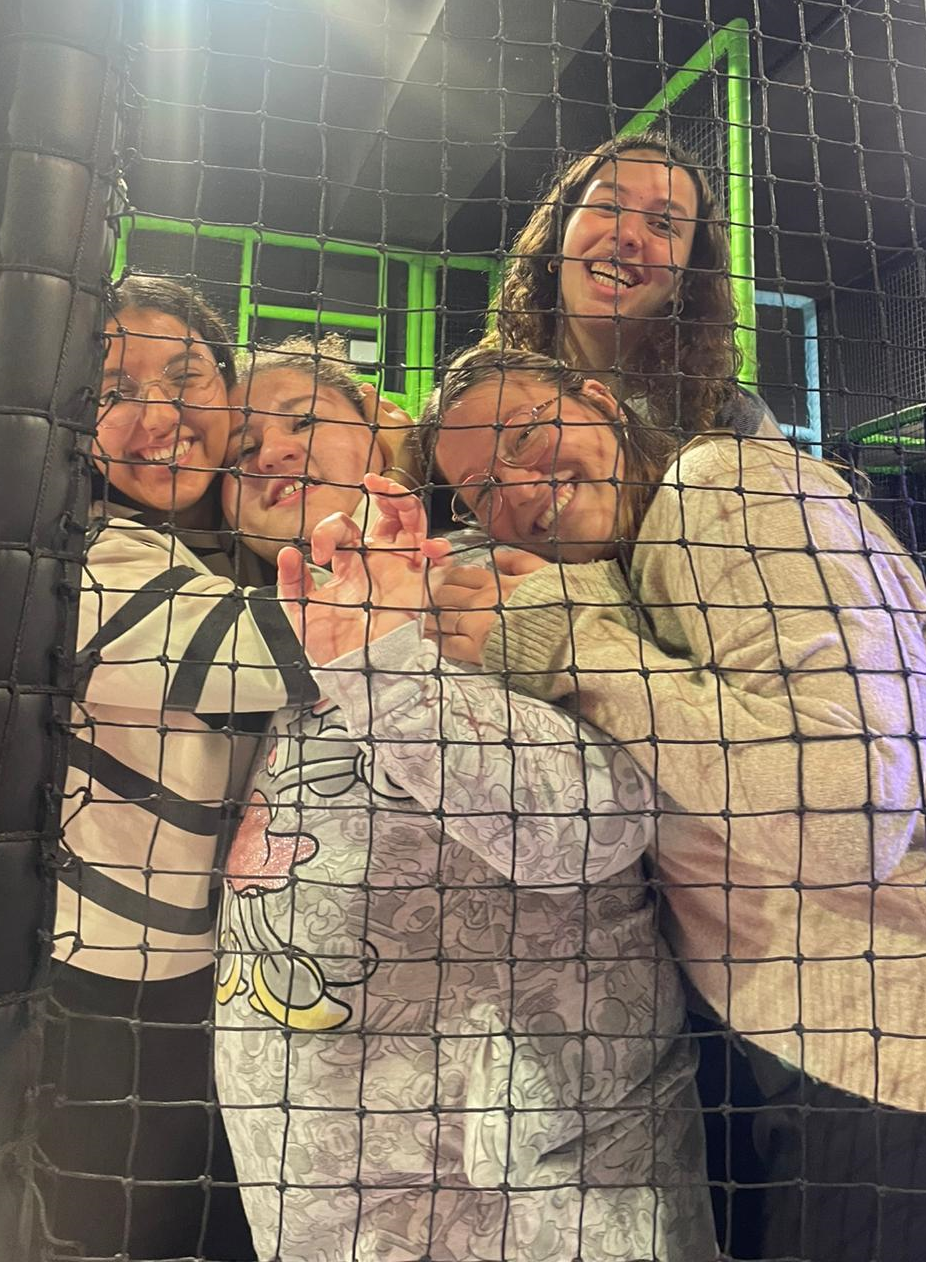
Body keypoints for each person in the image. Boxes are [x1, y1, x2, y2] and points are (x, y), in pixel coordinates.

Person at [420, 345, 926, 1262]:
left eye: (526, 436)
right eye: (480, 489)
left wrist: (571, 642)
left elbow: (845, 815)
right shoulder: (638, 562)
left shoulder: (723, 489)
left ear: (600, 401)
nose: (520, 486)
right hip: (872, 1069)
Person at [215, 335, 715, 1262]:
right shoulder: (249, 634)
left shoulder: (504, 573)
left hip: (538, 1185)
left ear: (382, 432)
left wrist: (387, 669)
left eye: (299, 421)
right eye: (238, 450)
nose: (269, 453)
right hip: (313, 1178)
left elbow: (596, 823)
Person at [37, 278, 309, 1262]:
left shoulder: (237, 544)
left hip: (241, 985)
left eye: (187, 376)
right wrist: (444, 584)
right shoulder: (75, 544)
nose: (158, 415)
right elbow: (245, 656)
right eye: (112, 390)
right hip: (111, 998)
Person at [488, 130, 779, 441]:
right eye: (608, 206)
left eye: (663, 224)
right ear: (558, 240)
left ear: (683, 282)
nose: (627, 234)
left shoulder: (731, 418)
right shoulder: (485, 394)